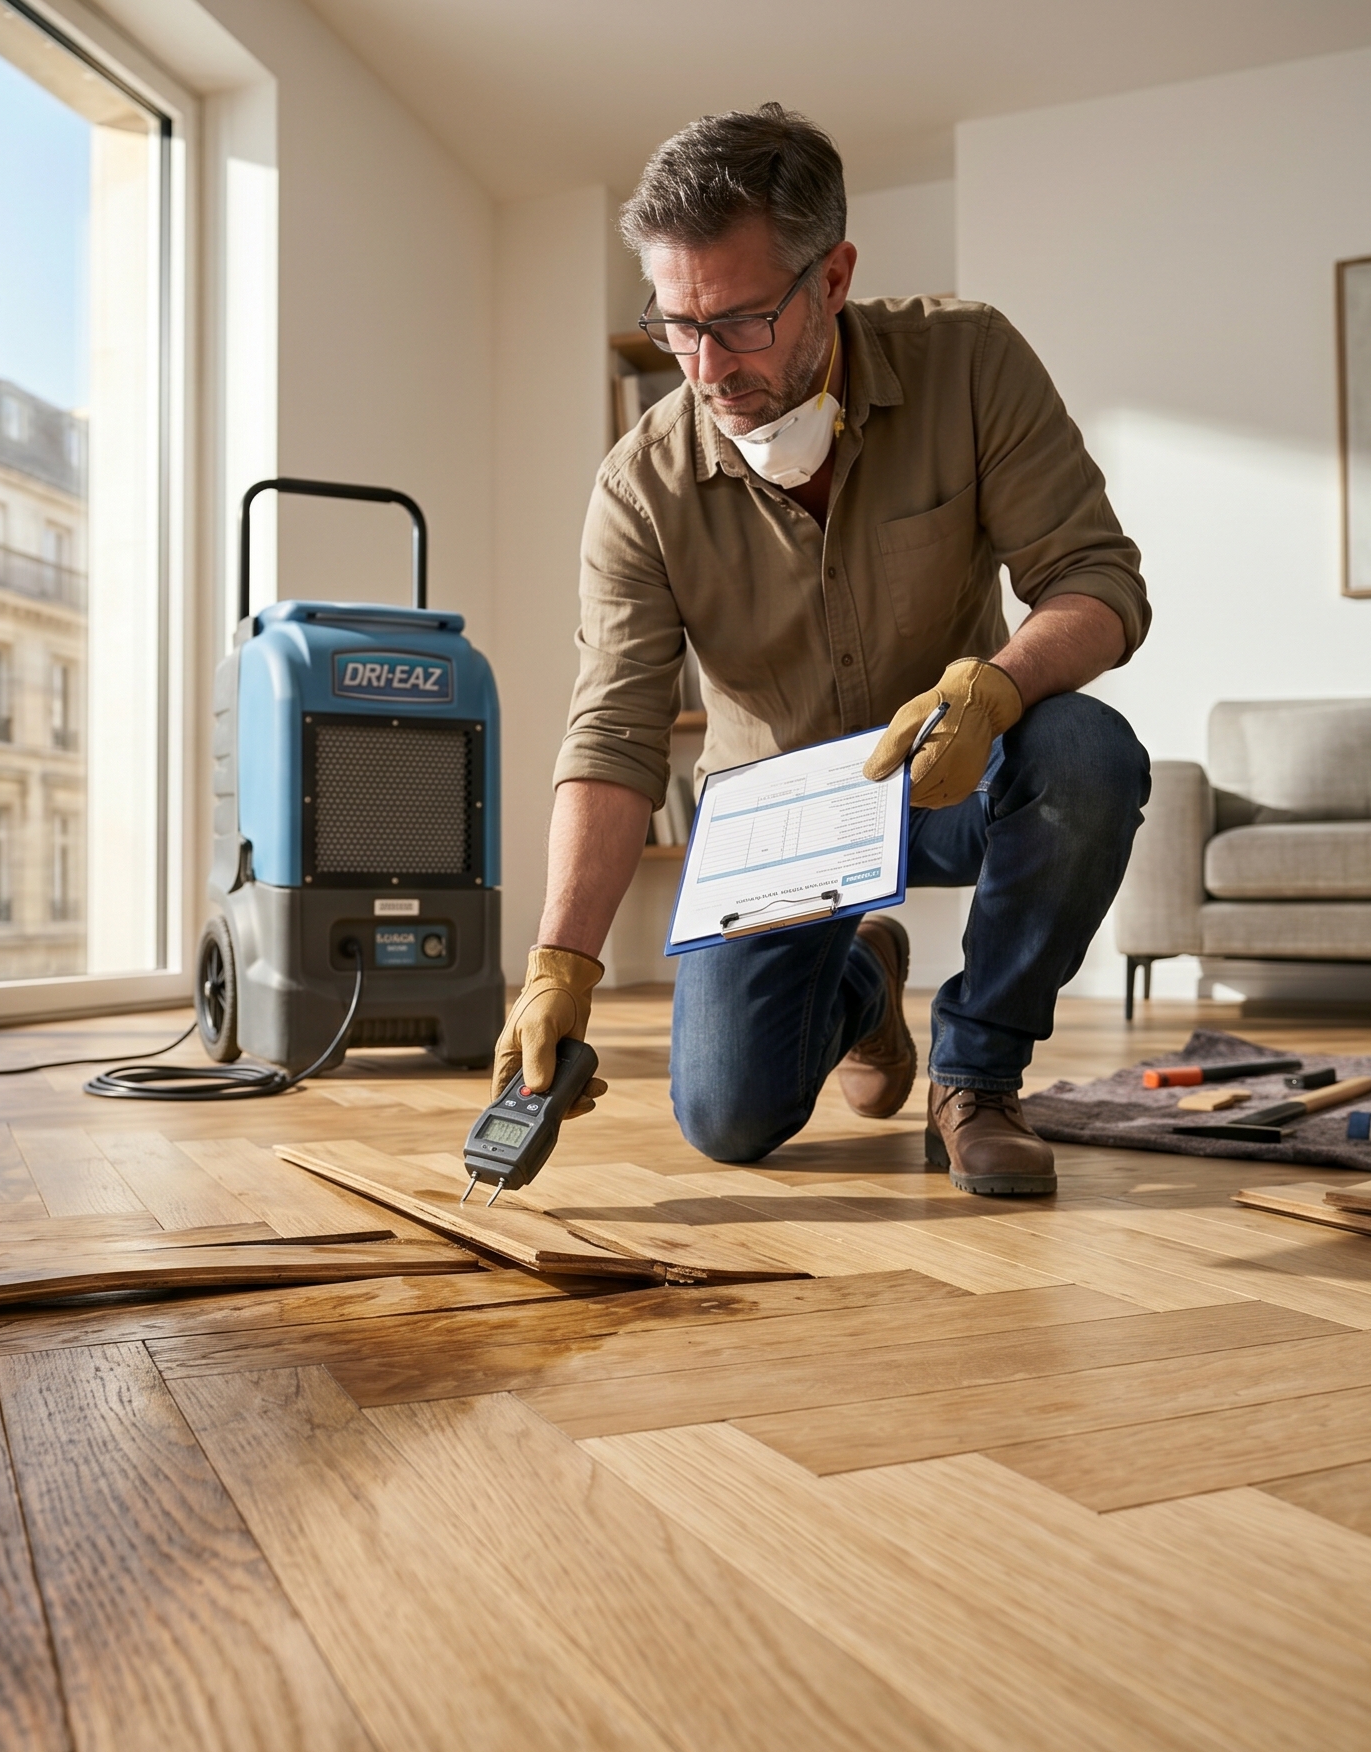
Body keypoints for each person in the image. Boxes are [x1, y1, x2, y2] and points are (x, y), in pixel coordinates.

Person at [490, 102, 1151, 1196]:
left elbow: (1099, 581)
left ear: (832, 278)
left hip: (955, 768)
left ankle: (976, 1077)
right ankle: (863, 979)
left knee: (1087, 753)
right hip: (773, 823)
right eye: (676, 325)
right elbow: (613, 731)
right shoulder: (640, 488)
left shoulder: (970, 362)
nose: (705, 367)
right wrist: (561, 961)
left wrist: (998, 688)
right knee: (728, 1120)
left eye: (740, 321)